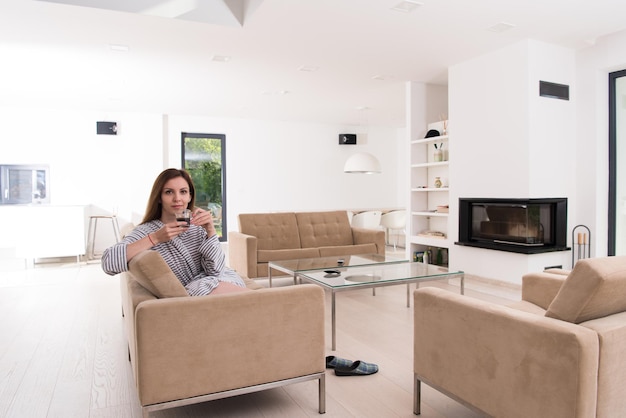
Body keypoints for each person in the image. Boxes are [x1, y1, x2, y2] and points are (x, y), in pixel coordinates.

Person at [101, 168, 248, 296]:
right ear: (159, 197)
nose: (177, 198)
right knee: (260, 305)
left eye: (183, 192)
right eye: (169, 192)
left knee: (259, 306)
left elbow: (216, 270)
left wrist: (210, 231)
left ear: (189, 196)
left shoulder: (196, 227)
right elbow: (108, 262)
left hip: (218, 281)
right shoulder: (147, 231)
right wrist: (155, 238)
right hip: (195, 292)